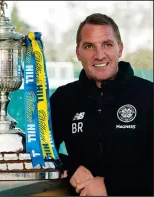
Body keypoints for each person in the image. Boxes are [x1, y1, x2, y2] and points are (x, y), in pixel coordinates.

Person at [50, 13, 153, 196]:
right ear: (78, 53)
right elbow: (41, 150)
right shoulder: (63, 98)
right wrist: (71, 167)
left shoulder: (148, 95)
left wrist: (111, 186)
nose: (99, 55)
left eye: (107, 44)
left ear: (119, 49)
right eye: (89, 46)